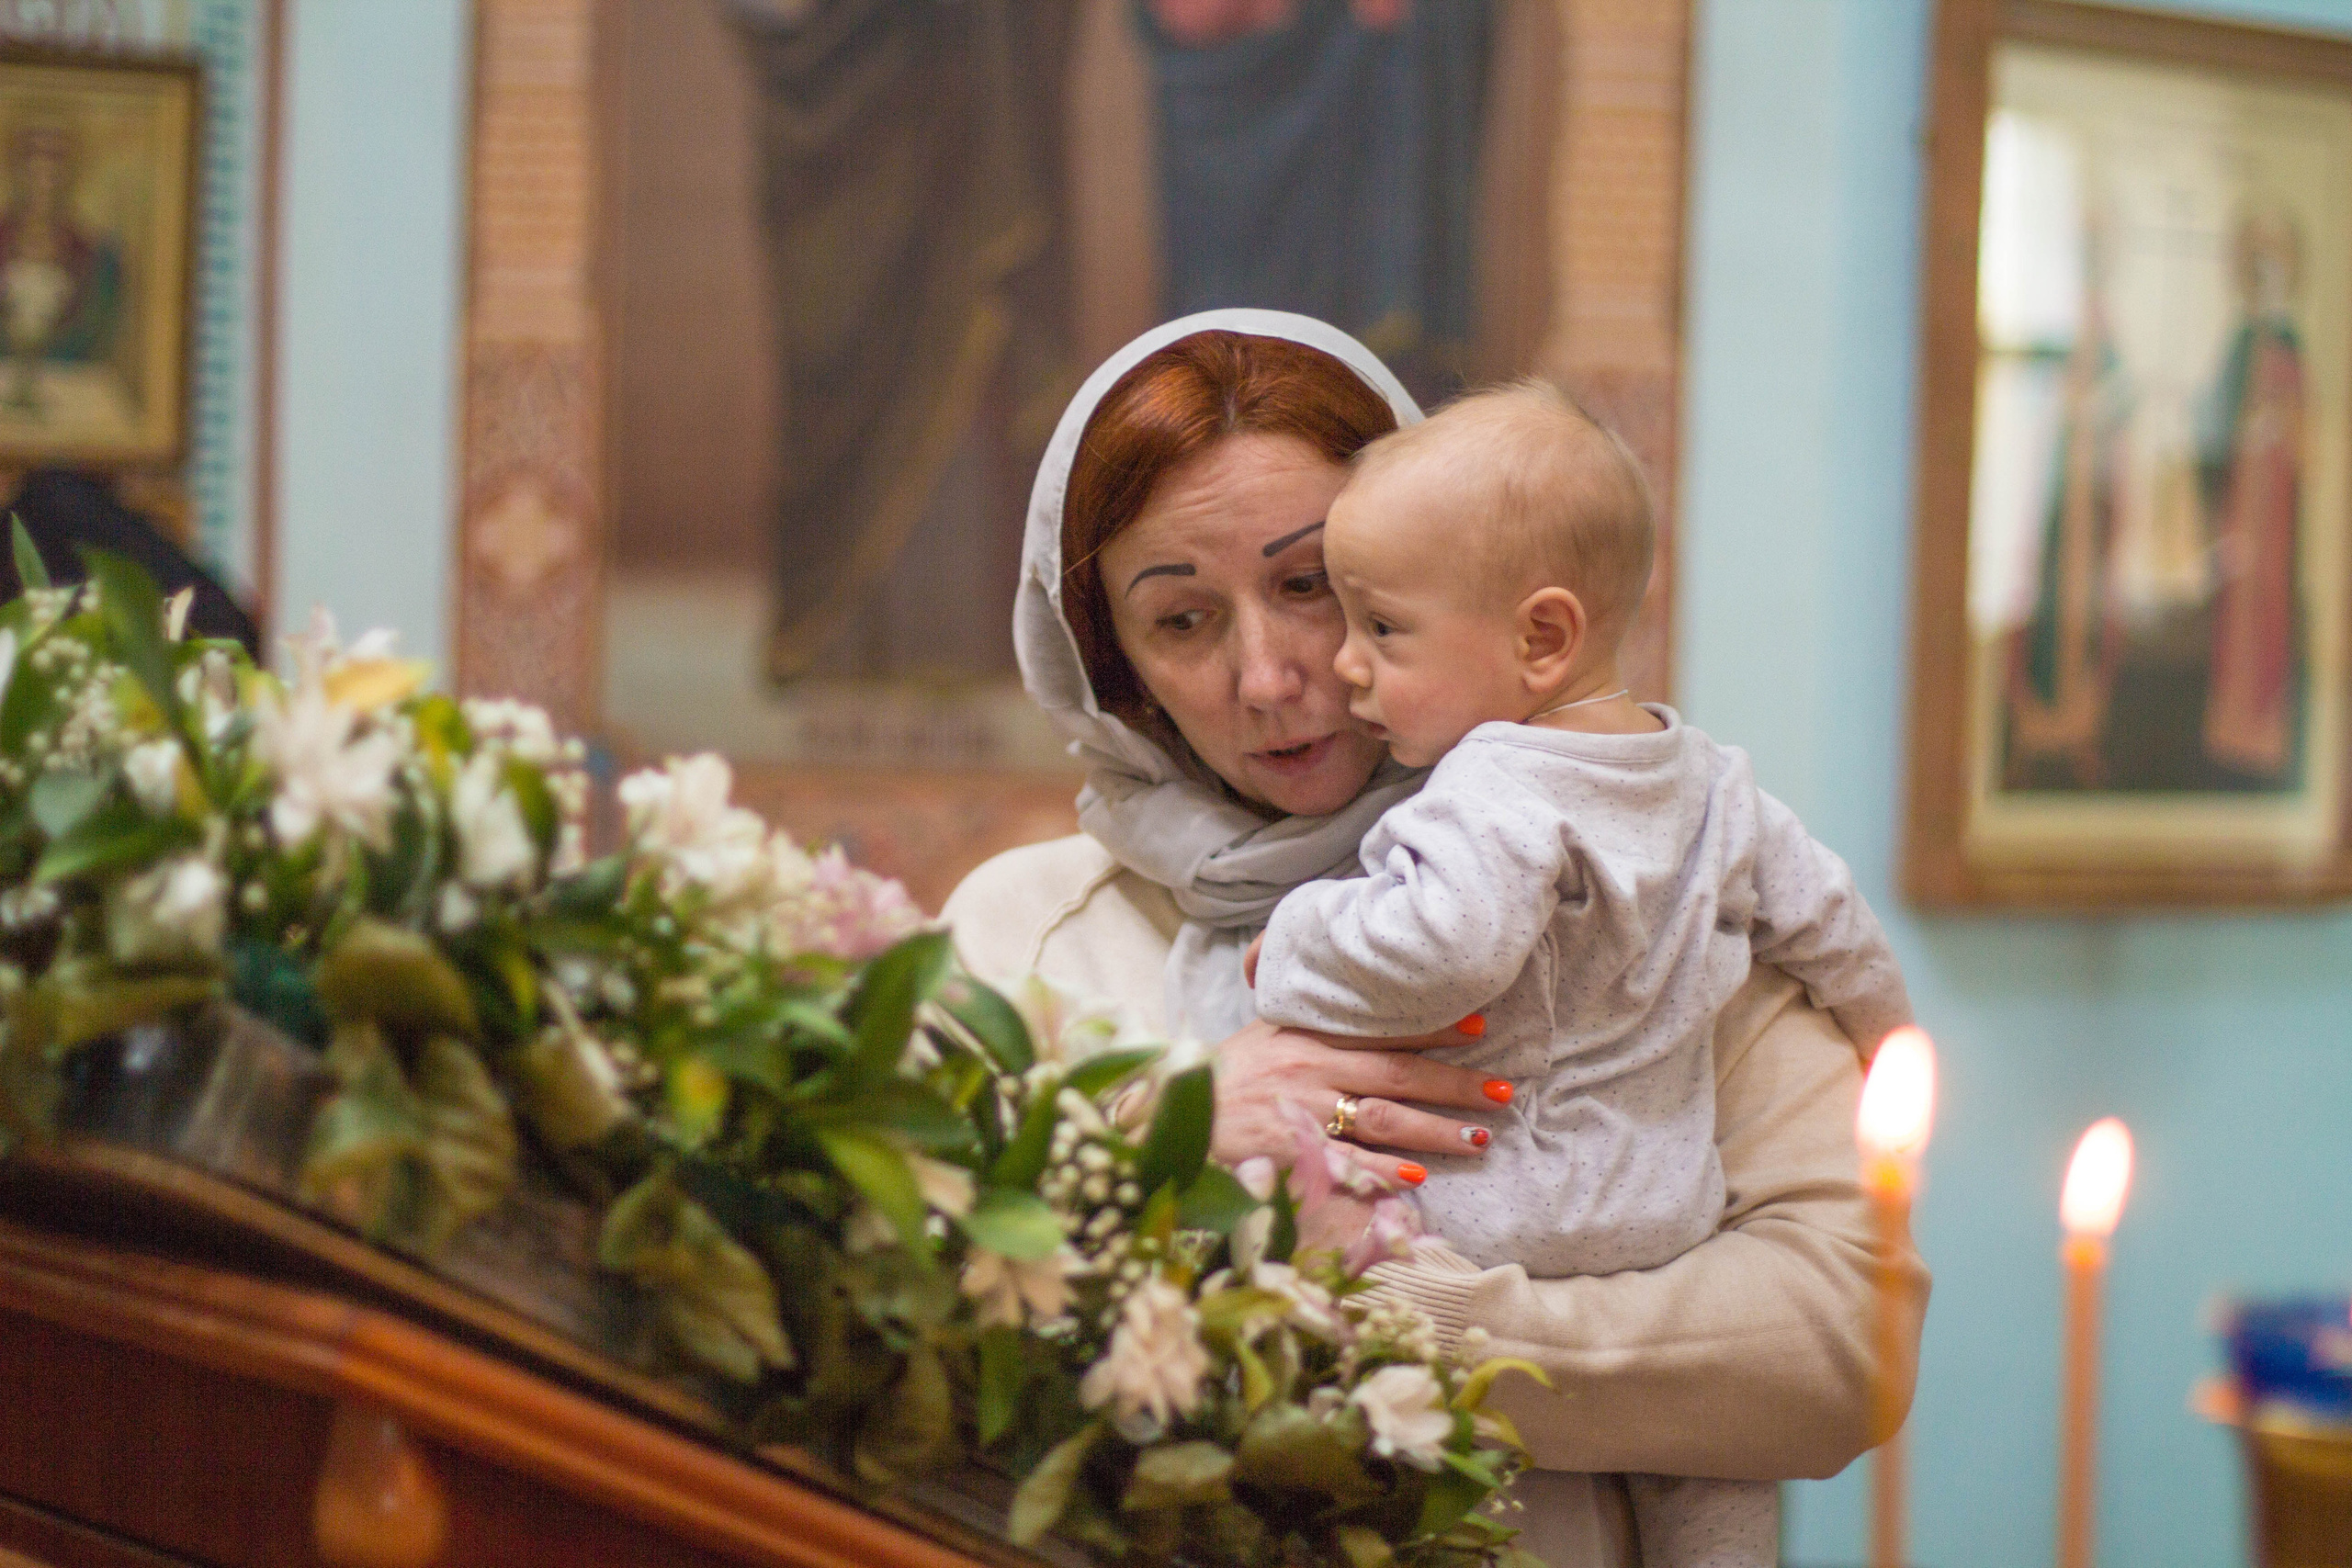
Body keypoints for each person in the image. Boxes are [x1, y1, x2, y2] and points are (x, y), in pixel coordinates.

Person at [942, 310, 1928, 1566]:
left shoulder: (1654, 872)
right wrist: (1163, 1124)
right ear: (1112, 666)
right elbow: (920, 1330)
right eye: (1182, 620)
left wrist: (1390, 1318)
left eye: (1310, 589)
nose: (1271, 675)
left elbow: (1839, 1344)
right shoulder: (1024, 936)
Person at [1247, 381, 1914, 1566]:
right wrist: (1887, 1047)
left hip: (1508, 1209)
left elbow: (1445, 949)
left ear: (1540, 638)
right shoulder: (1710, 777)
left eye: (1381, 629)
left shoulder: (1494, 782)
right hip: (1672, 1218)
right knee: (1715, 1491)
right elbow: (1834, 923)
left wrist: (1295, 945)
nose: (1345, 665)